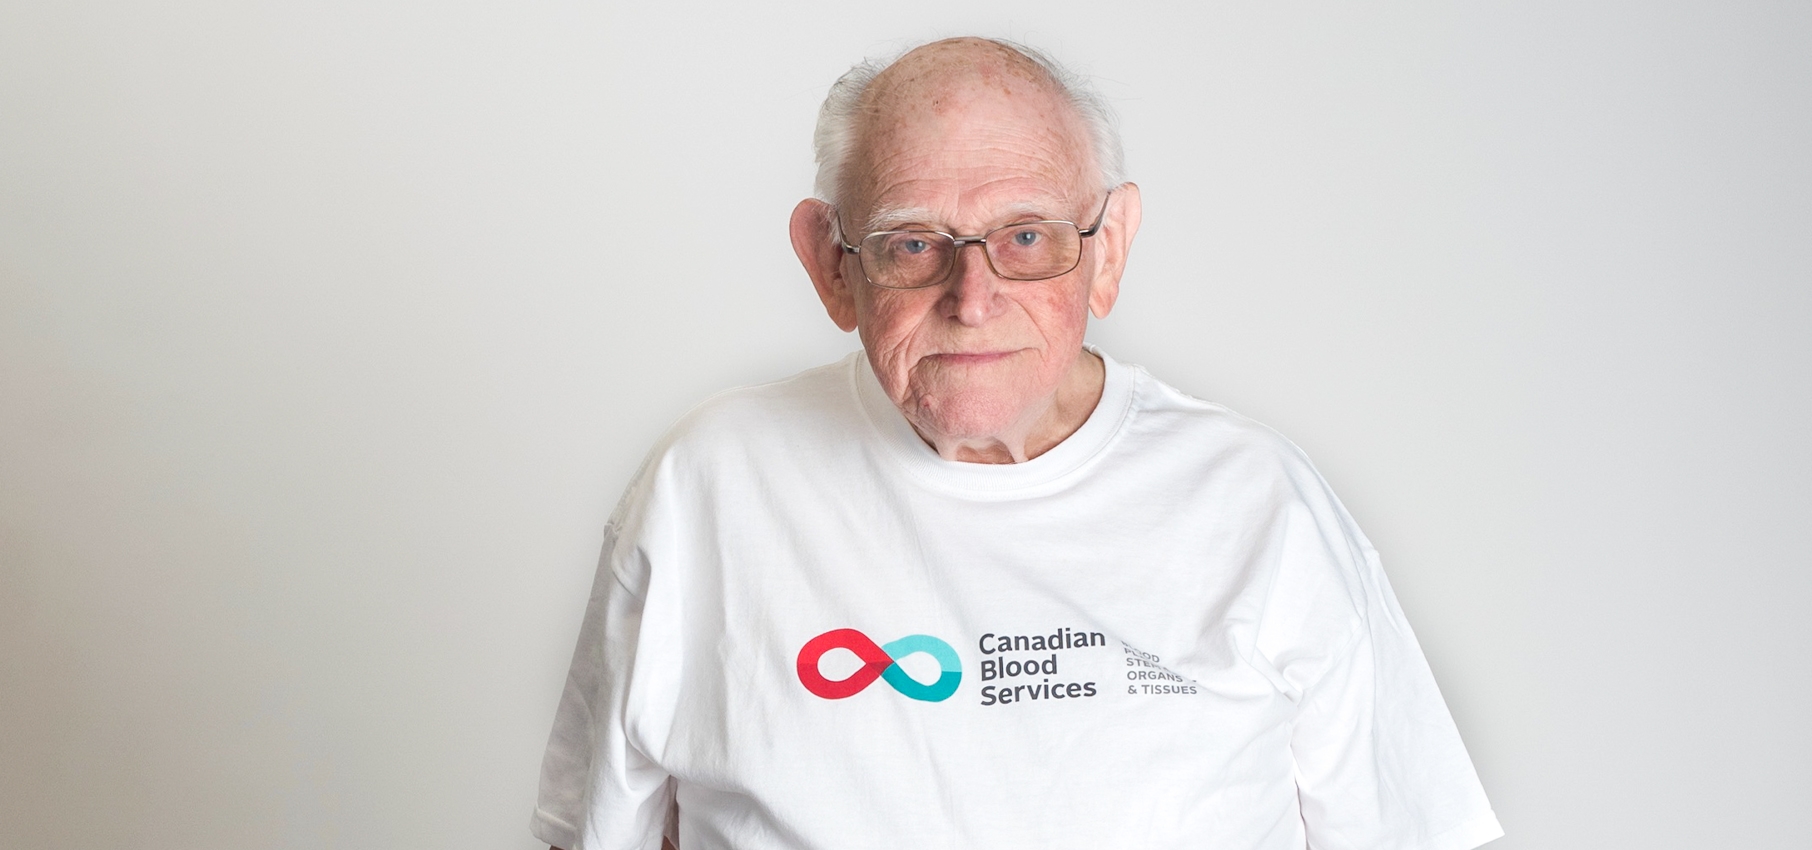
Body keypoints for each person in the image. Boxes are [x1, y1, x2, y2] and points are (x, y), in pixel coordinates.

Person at [532, 37, 1501, 850]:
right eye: (912, 243)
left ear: (1107, 248)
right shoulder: (708, 489)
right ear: (833, 266)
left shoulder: (1256, 507)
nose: (972, 296)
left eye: (1025, 238)